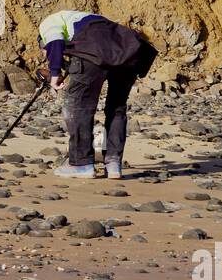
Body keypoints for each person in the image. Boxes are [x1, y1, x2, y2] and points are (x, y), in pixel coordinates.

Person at [38, 10, 156, 179]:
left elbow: (55, 43)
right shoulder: (90, 20)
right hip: (127, 56)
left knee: (79, 106)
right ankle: (113, 164)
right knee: (117, 107)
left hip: (94, 52)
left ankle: (81, 164)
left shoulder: (48, 23)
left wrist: (55, 74)